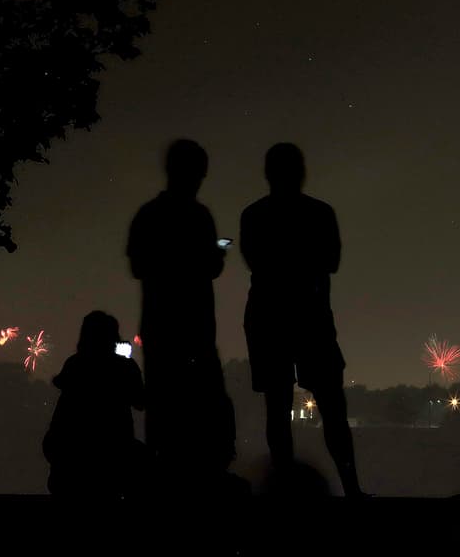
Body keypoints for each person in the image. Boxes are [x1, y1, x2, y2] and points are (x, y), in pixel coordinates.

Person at [239, 142, 362, 496]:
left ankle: (284, 490)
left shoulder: (254, 214)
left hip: (267, 317)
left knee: (276, 408)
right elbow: (332, 262)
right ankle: (352, 488)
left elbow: (257, 263)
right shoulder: (320, 213)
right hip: (311, 317)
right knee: (332, 406)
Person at [127, 139, 236, 488]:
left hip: (160, 327)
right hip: (196, 330)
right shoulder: (199, 217)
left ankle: (162, 480)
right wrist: (208, 258)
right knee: (205, 405)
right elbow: (209, 268)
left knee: (163, 405)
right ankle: (204, 479)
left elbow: (139, 266)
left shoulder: (148, 215)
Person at [43, 311, 146, 497]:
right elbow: (140, 401)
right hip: (114, 456)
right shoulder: (124, 367)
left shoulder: (74, 365)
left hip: (69, 460)